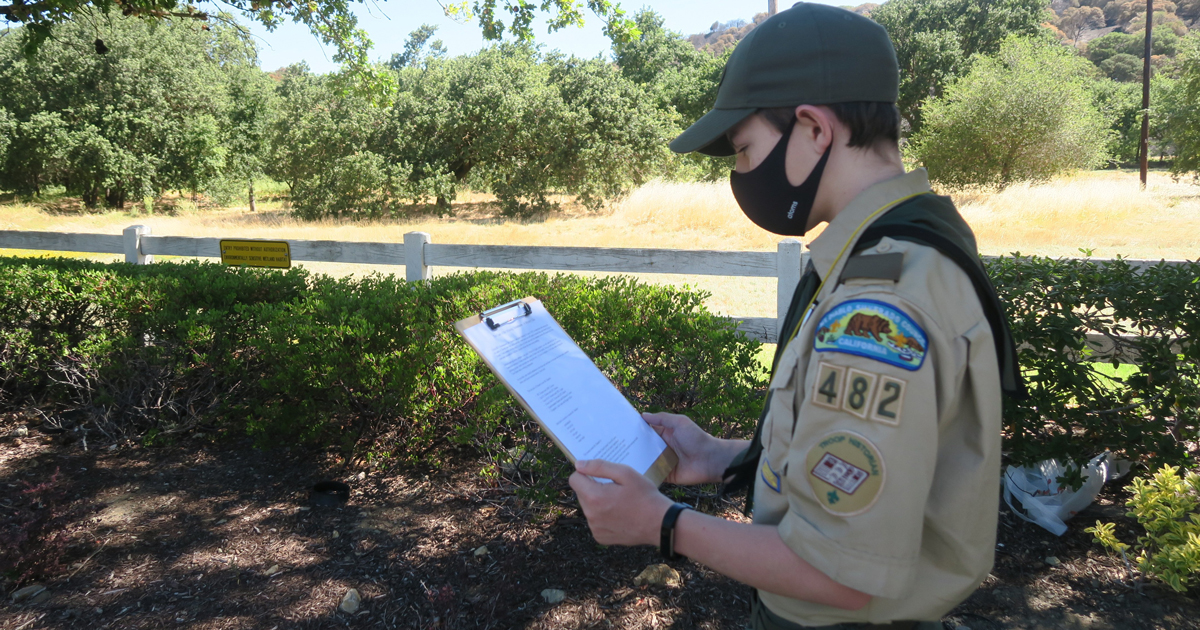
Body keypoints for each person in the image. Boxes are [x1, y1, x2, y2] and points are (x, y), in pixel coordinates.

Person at [568, 3, 1026, 629]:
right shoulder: (899, 247)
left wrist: (661, 523)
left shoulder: (880, 305)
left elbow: (837, 572)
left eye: (743, 149)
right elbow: (851, 473)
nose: (740, 174)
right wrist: (724, 456)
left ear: (813, 129)